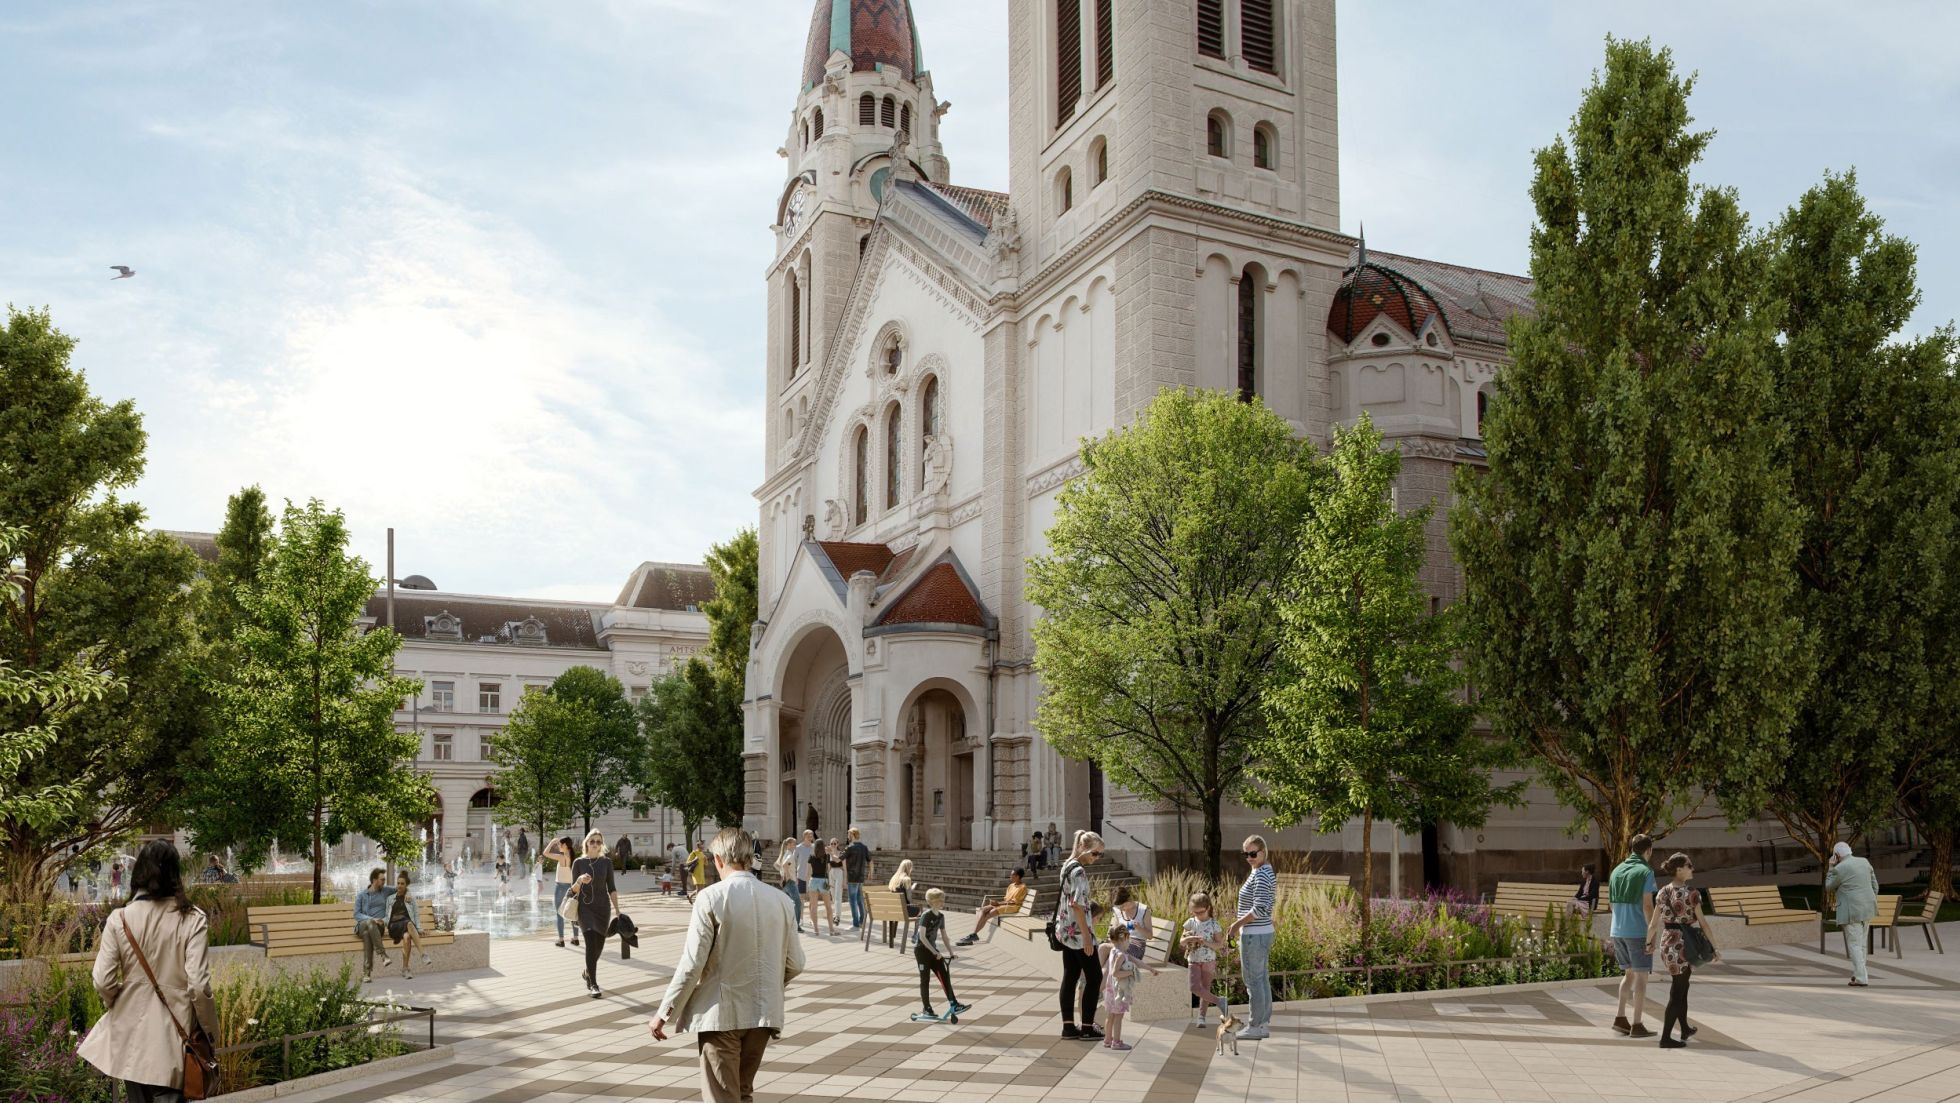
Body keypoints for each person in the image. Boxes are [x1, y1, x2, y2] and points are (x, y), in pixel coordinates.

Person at [650, 827, 805, 1103]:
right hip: (764, 1013)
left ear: (720, 859)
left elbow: (692, 964)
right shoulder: (781, 900)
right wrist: (768, 984)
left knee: (723, 1097)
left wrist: (665, 1012)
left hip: (721, 1014)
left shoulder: (710, 897)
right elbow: (796, 962)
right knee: (742, 1093)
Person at [77, 840, 220, 1103]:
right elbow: (198, 986)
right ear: (175, 874)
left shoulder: (119, 918)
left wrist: (120, 1003)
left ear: (139, 872)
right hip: (174, 1041)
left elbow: (102, 980)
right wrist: (210, 1032)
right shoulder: (192, 918)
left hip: (132, 1039)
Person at [1647, 852, 1718, 1048]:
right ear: (1679, 870)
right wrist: (1714, 947)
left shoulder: (1662, 892)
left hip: (1667, 943)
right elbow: (1704, 924)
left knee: (1683, 986)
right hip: (1683, 946)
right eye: (1689, 865)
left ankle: (1685, 1028)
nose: (1692, 868)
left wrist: (1648, 944)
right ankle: (1666, 1038)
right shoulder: (1693, 893)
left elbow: (1653, 924)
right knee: (1677, 992)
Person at [1222, 835, 1276, 1042]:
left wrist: (1237, 924)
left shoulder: (1261, 874)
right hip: (1260, 933)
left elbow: (1261, 908)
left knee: (1253, 981)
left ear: (1263, 851)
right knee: (1260, 979)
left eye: (1253, 853)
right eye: (1246, 854)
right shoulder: (1262, 870)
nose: (1249, 858)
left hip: (1255, 935)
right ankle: (1261, 1023)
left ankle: (1256, 1025)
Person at [1054, 831, 1105, 1041]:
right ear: (1084, 849)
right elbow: (1078, 904)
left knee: (1070, 976)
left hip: (1065, 931)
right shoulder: (1079, 872)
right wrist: (1086, 937)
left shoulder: (1067, 865)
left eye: (1099, 854)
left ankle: (1068, 1027)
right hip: (1078, 934)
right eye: (1095, 853)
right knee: (1095, 978)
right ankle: (1086, 1027)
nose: (1096, 858)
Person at [1607, 833, 1659, 1038]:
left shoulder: (1616, 871)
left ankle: (1620, 1018)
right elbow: (1648, 905)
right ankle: (1637, 1024)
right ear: (1649, 851)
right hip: (1637, 931)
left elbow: (1611, 904)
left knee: (1628, 975)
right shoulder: (1645, 871)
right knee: (1642, 979)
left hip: (1616, 930)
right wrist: (1652, 934)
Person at [572, 829, 621, 996]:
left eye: (598, 842)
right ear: (586, 843)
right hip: (585, 909)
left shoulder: (606, 862)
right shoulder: (578, 863)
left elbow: (612, 888)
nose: (595, 844)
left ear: (601, 844)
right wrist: (579, 880)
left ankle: (587, 972)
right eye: (592, 841)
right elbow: (573, 890)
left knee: (599, 946)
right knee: (591, 944)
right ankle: (593, 984)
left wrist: (618, 911)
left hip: (603, 909)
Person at [1826, 840, 1880, 987]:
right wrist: (1869, 899)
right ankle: (1858, 974)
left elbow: (1829, 886)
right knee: (1862, 944)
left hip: (1851, 911)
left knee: (1854, 945)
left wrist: (1831, 866)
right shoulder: (1864, 862)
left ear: (1836, 855)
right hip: (1867, 909)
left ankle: (1862, 977)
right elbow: (1875, 886)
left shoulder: (1840, 868)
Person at [914, 887, 964, 1020]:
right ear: (932, 902)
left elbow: (945, 936)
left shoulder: (941, 916)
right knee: (925, 980)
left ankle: (954, 1004)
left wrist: (951, 952)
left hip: (934, 952)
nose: (943, 902)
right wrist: (935, 952)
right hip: (922, 951)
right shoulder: (926, 915)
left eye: (943, 900)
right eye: (940, 900)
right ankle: (927, 1008)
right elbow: (922, 937)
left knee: (944, 975)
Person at [1182, 892, 1228, 1028]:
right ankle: (1220, 1001)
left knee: (1205, 988)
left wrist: (1206, 942)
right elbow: (1182, 941)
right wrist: (1190, 938)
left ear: (1208, 908)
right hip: (1193, 959)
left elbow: (1219, 944)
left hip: (1209, 960)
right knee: (1194, 987)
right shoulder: (1190, 923)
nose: (1197, 915)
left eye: (1200, 912)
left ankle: (1201, 1017)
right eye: (1194, 912)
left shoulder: (1214, 924)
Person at [957, 868, 1027, 945]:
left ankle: (973, 934)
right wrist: (996, 903)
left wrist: (998, 903)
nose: (1010, 876)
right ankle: (974, 934)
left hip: (1013, 906)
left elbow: (1013, 902)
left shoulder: (1022, 887)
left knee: (990, 912)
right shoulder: (1011, 885)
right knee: (983, 909)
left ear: (1017, 876)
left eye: (1012, 875)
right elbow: (1006, 899)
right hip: (1005, 904)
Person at [1099, 923, 1140, 1051]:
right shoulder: (1122, 955)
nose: (1129, 943)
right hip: (1119, 992)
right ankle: (1116, 1042)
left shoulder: (1112, 951)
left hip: (1110, 989)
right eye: (1129, 939)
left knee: (1110, 1016)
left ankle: (1107, 1039)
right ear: (1124, 939)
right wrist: (1131, 972)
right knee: (1118, 1017)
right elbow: (1116, 973)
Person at [388, 871, 434, 980]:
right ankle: (423, 953)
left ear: (406, 885)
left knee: (407, 937)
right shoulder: (390, 898)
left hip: (407, 926)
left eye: (402, 884)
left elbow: (416, 915)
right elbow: (386, 915)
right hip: (394, 926)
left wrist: (419, 928)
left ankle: (405, 969)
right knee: (408, 923)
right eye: (398, 883)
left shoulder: (410, 899)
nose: (399, 885)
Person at [353, 868, 396, 982]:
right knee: (370, 924)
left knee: (368, 934)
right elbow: (357, 914)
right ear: (374, 880)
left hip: (378, 928)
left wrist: (407, 894)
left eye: (384, 880)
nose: (384, 882)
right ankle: (383, 955)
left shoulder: (385, 891)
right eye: (382, 880)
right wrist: (372, 919)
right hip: (362, 925)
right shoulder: (362, 895)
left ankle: (366, 973)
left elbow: (401, 889)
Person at [545, 836, 581, 948]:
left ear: (565, 845)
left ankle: (561, 940)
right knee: (573, 912)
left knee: (559, 913)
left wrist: (551, 842)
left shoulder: (561, 857)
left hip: (560, 887)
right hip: (572, 887)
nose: (558, 846)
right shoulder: (574, 858)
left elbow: (545, 853)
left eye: (559, 844)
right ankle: (575, 939)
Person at [802, 830, 836, 936]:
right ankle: (831, 930)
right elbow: (830, 868)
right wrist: (830, 853)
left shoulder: (811, 857)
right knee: (828, 906)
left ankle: (816, 929)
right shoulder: (826, 857)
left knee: (813, 906)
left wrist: (808, 883)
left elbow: (808, 873)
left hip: (813, 881)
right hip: (823, 881)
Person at [1110, 885, 1153, 964]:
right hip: (1122, 943)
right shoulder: (1118, 910)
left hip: (1137, 947)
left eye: (1122, 906)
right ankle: (1100, 976)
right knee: (1103, 948)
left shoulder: (1143, 910)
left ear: (1128, 900)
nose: (1121, 909)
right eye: (1119, 907)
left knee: (1114, 954)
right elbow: (1114, 929)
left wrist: (1139, 928)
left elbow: (1150, 936)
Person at [844, 827, 873, 929]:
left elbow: (839, 859)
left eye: (849, 835)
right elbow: (870, 860)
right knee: (860, 900)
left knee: (853, 901)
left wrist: (831, 853)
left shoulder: (850, 847)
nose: (848, 837)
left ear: (852, 835)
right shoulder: (864, 847)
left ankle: (856, 924)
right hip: (860, 878)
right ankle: (862, 921)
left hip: (852, 878)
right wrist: (870, 872)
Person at [775, 838, 804, 934]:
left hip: (786, 883)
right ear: (789, 845)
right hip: (790, 882)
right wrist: (787, 877)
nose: (795, 845)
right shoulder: (790, 855)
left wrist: (783, 877)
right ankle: (796, 925)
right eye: (794, 844)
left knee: (787, 904)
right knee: (798, 903)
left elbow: (779, 866)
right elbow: (784, 865)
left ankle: (786, 924)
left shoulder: (784, 854)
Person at [886, 859, 917, 947]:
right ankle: (915, 936)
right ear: (909, 868)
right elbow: (909, 899)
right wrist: (911, 889)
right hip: (905, 910)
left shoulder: (894, 878)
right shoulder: (906, 879)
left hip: (894, 910)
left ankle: (893, 936)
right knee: (922, 913)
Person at [825, 838, 845, 916]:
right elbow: (828, 867)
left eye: (834, 843)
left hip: (839, 873)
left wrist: (845, 880)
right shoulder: (828, 855)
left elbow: (843, 866)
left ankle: (837, 914)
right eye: (831, 843)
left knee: (838, 894)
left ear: (837, 844)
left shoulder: (841, 853)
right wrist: (827, 878)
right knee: (832, 894)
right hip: (831, 873)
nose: (833, 845)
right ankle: (835, 912)